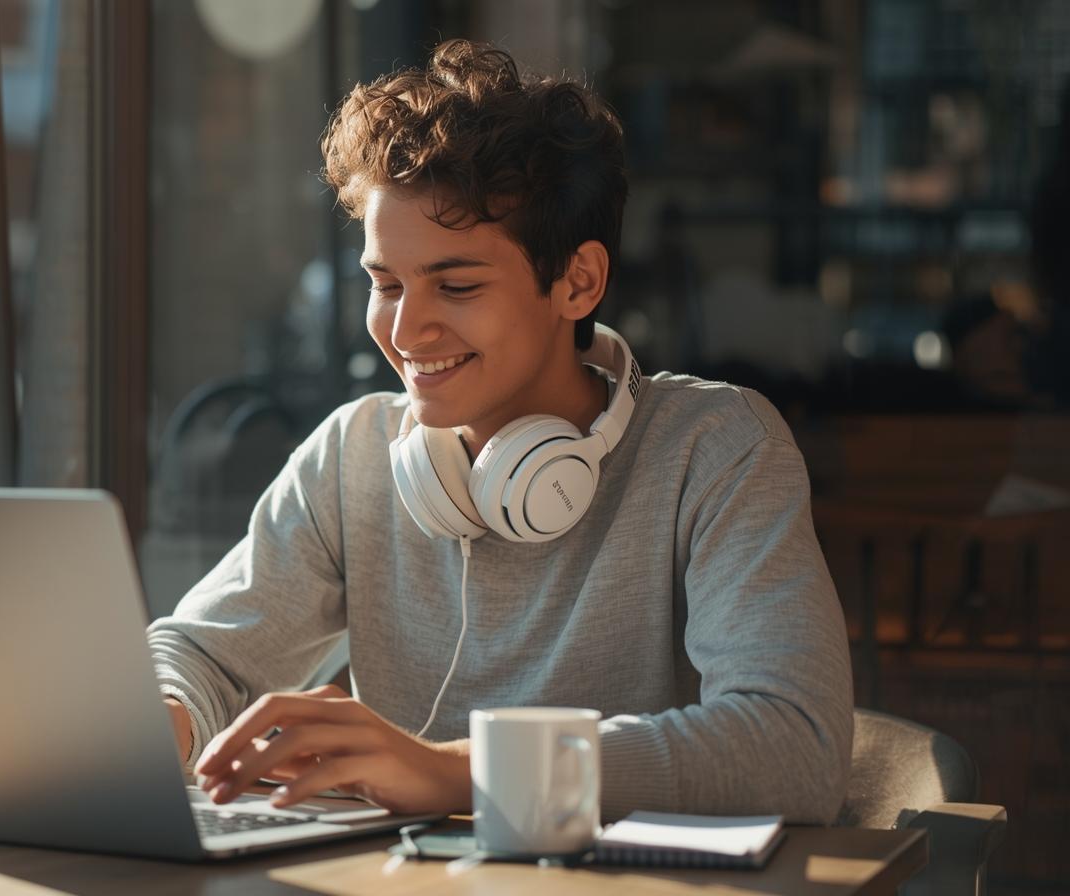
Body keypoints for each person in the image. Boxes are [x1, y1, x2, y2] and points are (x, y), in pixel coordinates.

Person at [147, 39, 851, 824]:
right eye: (385, 284)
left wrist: (454, 773)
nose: (406, 330)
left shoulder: (716, 449)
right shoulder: (353, 457)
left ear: (578, 281)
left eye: (456, 284)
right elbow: (195, 654)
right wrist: (160, 721)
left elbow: (794, 747)